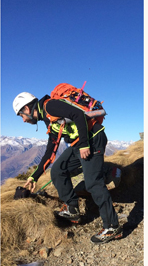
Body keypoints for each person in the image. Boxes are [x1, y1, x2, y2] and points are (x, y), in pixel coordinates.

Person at [13, 90, 122, 244]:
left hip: (93, 139)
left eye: (21, 115)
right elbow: (50, 152)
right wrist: (33, 177)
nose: (23, 120)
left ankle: (112, 227)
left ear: (26, 108)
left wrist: (84, 144)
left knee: (93, 182)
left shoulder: (50, 106)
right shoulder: (48, 118)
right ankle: (72, 209)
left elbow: (78, 115)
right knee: (58, 170)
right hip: (79, 143)